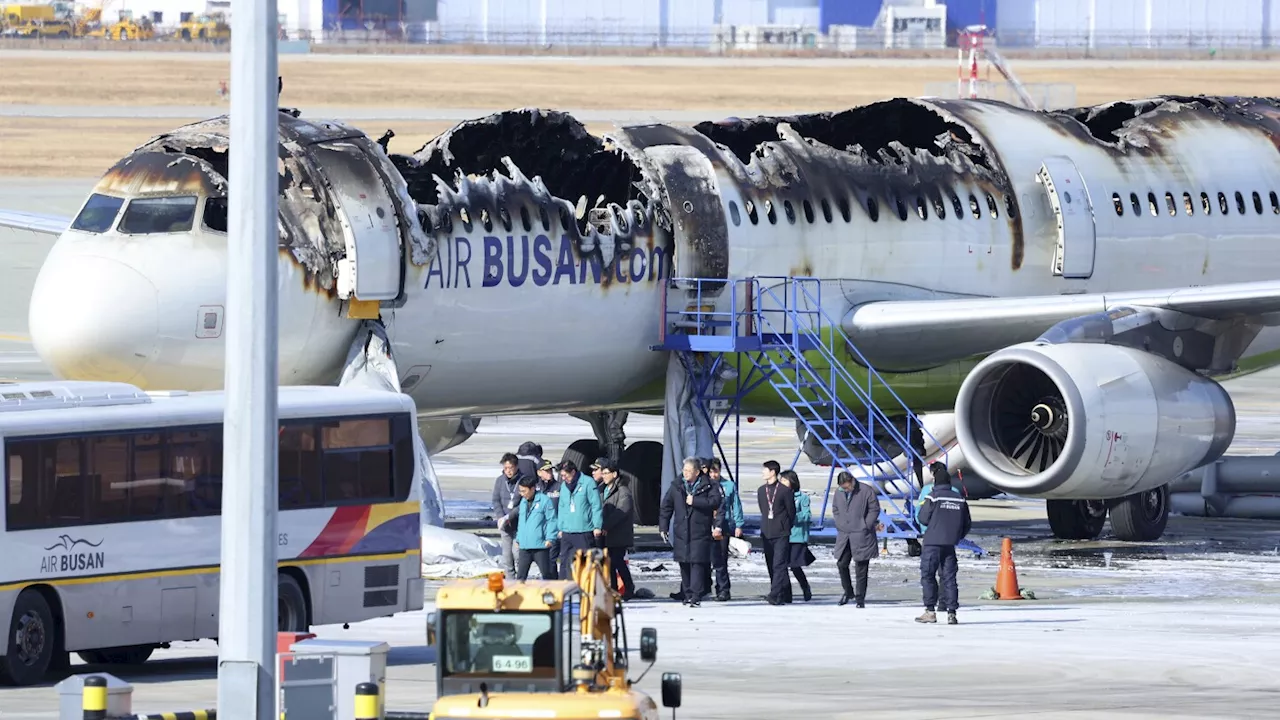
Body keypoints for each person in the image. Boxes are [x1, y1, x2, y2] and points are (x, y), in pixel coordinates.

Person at [658, 456, 721, 607]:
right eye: (684, 470)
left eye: (689, 470)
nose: (685, 473)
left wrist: (696, 501)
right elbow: (666, 506)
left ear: (697, 472)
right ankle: (686, 593)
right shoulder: (677, 485)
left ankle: (696, 595)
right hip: (681, 530)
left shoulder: (709, 485)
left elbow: (715, 502)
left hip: (700, 530)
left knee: (697, 564)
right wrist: (663, 526)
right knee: (684, 563)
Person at [916, 461, 972, 625]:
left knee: (928, 575)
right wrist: (956, 535)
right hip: (950, 544)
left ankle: (930, 611)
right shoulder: (960, 499)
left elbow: (923, 518)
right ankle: (951, 612)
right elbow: (967, 523)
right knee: (949, 578)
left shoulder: (933, 496)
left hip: (932, 543)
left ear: (936, 481)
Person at [831, 470, 881, 607]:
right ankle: (848, 591)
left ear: (852, 481)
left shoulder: (866, 491)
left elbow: (874, 509)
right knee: (842, 564)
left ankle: (860, 598)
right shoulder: (838, 492)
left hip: (861, 534)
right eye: (843, 488)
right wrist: (839, 523)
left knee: (861, 567)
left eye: (847, 487)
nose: (846, 489)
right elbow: (835, 509)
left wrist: (866, 524)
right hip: (844, 534)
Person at [555, 459, 603, 580]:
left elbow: (596, 505)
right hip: (567, 531)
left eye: (565, 475)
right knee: (565, 562)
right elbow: (561, 507)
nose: (564, 478)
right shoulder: (564, 486)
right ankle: (564, 588)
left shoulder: (588, 482)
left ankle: (588, 588)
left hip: (583, 530)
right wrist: (560, 527)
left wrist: (597, 526)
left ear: (573, 472)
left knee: (585, 562)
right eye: (562, 476)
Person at [757, 460, 795, 606]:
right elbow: (763, 509)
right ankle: (783, 593)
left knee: (779, 564)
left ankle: (774, 594)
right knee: (771, 564)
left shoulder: (785, 491)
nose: (762, 473)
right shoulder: (761, 490)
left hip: (781, 533)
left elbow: (791, 512)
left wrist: (785, 526)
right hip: (767, 532)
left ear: (773, 472)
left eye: (765, 470)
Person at [598, 458, 636, 600]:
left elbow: (621, 510)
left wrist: (606, 525)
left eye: (606, 473)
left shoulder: (623, 491)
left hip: (619, 534)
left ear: (614, 474)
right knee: (610, 563)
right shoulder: (602, 489)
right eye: (603, 473)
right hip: (606, 534)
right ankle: (613, 589)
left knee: (617, 562)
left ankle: (628, 587)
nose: (604, 475)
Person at [707, 457, 743, 602]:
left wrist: (739, 524)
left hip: (724, 526)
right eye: (711, 472)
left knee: (721, 559)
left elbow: (736, 505)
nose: (713, 475)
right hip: (706, 526)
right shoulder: (705, 485)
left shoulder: (728, 486)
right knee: (705, 559)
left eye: (716, 471)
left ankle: (723, 589)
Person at [511, 476, 557, 581]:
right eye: (520, 491)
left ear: (532, 489)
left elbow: (552, 520)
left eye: (524, 491)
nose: (522, 494)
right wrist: (519, 538)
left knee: (546, 575)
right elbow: (522, 522)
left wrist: (550, 538)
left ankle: (550, 595)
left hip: (540, 546)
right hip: (525, 546)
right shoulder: (523, 502)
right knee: (521, 577)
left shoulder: (544, 500)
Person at [779, 470, 813, 603]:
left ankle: (805, 586)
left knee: (794, 565)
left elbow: (807, 515)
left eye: (784, 480)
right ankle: (786, 592)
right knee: (782, 565)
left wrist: (791, 516)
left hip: (796, 535)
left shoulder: (802, 497)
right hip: (783, 534)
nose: (782, 483)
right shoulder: (780, 495)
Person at [491, 452, 524, 577]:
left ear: (516, 467)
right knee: (507, 556)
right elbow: (495, 500)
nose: (508, 471)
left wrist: (509, 516)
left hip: (518, 523)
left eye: (511, 468)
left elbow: (524, 504)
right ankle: (510, 582)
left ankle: (521, 579)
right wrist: (500, 516)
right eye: (506, 468)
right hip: (504, 525)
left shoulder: (523, 480)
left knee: (517, 553)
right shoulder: (500, 481)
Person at [534, 459, 561, 579]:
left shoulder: (559, 487)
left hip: (554, 530)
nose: (549, 472)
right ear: (539, 472)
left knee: (551, 560)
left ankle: (554, 584)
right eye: (546, 470)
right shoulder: (535, 488)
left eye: (550, 470)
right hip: (539, 530)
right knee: (542, 560)